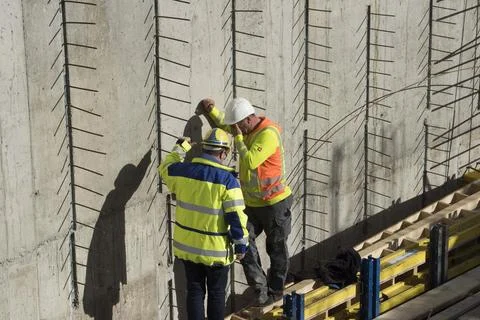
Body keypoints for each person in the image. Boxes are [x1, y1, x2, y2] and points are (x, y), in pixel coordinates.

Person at [199, 97, 293, 306]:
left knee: (276, 247)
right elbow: (225, 123)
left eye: (238, 126)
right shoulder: (244, 127)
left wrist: (239, 139)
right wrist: (212, 110)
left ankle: (275, 291)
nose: (235, 130)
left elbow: (250, 161)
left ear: (249, 119)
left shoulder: (268, 134)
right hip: (253, 204)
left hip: (275, 203)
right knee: (241, 240)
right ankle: (260, 288)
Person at [158, 128, 249, 320]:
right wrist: (241, 244)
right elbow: (237, 217)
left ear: (205, 149)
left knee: (195, 291)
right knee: (216, 294)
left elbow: (165, 167)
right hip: (216, 252)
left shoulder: (183, 172)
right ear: (223, 153)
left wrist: (181, 146)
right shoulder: (228, 181)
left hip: (188, 249)